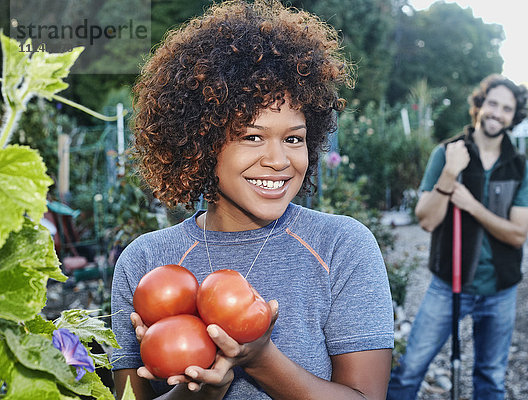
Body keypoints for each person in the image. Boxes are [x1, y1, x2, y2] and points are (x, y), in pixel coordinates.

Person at [110, 1, 395, 399]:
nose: (279, 161)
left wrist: (262, 359)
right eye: (252, 136)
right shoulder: (144, 264)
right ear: (203, 142)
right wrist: (201, 392)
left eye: (293, 138)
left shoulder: (341, 247)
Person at [387, 74, 528, 399]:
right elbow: (426, 220)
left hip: (500, 290)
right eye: (492, 103)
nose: (497, 113)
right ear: (480, 105)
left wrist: (472, 206)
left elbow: (517, 234)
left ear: (514, 116)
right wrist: (450, 172)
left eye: (506, 108)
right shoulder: (448, 153)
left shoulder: (520, 166)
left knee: (491, 380)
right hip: (447, 285)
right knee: (409, 370)